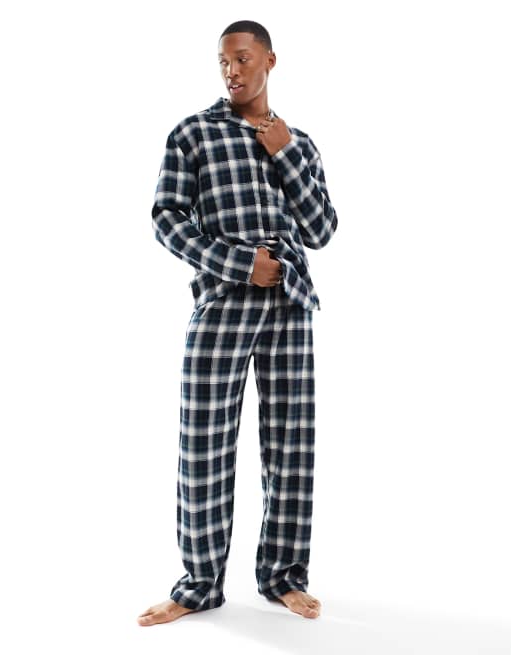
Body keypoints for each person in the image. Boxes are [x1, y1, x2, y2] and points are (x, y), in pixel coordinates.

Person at [138, 19, 338, 626]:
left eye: (244, 59)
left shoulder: (298, 142)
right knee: (203, 443)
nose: (233, 71)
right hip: (223, 302)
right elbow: (166, 219)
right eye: (225, 61)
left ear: (269, 61)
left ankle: (283, 577)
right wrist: (240, 264)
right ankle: (199, 584)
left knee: (291, 447)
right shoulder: (193, 135)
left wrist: (286, 153)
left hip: (289, 304)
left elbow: (322, 230)